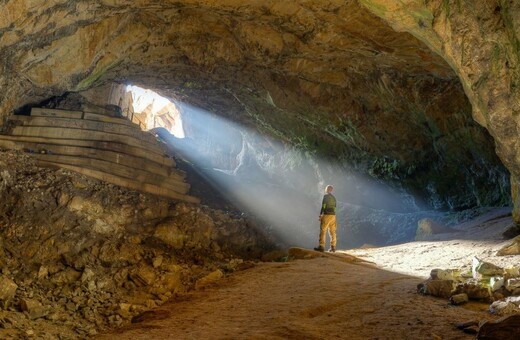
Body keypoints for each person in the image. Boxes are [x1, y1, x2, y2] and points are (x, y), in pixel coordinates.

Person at [314, 185, 337, 252]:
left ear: (327, 189)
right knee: (332, 231)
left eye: (326, 188)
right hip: (333, 216)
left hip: (326, 215)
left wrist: (321, 214)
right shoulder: (334, 198)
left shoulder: (326, 196)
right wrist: (333, 215)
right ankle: (333, 247)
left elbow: (323, 206)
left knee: (323, 230)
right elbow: (335, 208)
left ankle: (321, 246)